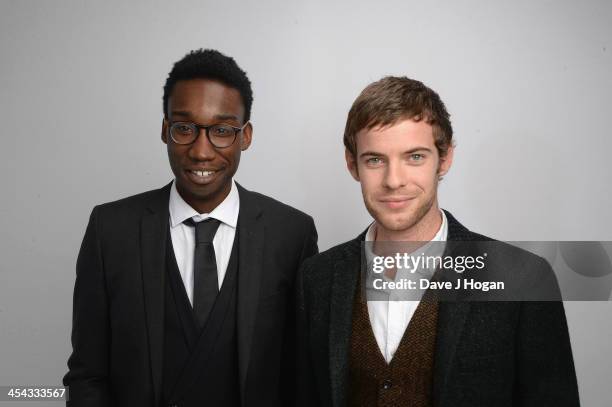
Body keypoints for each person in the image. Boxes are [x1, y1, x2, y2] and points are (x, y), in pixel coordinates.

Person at [296, 76, 579, 406]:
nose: (393, 180)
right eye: (375, 159)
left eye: (414, 157)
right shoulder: (317, 278)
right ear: (352, 163)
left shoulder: (523, 277)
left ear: (444, 159)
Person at [63, 49, 318, 407]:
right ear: (166, 130)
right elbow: (87, 375)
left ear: (245, 136)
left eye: (221, 131)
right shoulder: (111, 231)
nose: (201, 151)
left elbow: (302, 379)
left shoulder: (292, 234)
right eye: (184, 128)